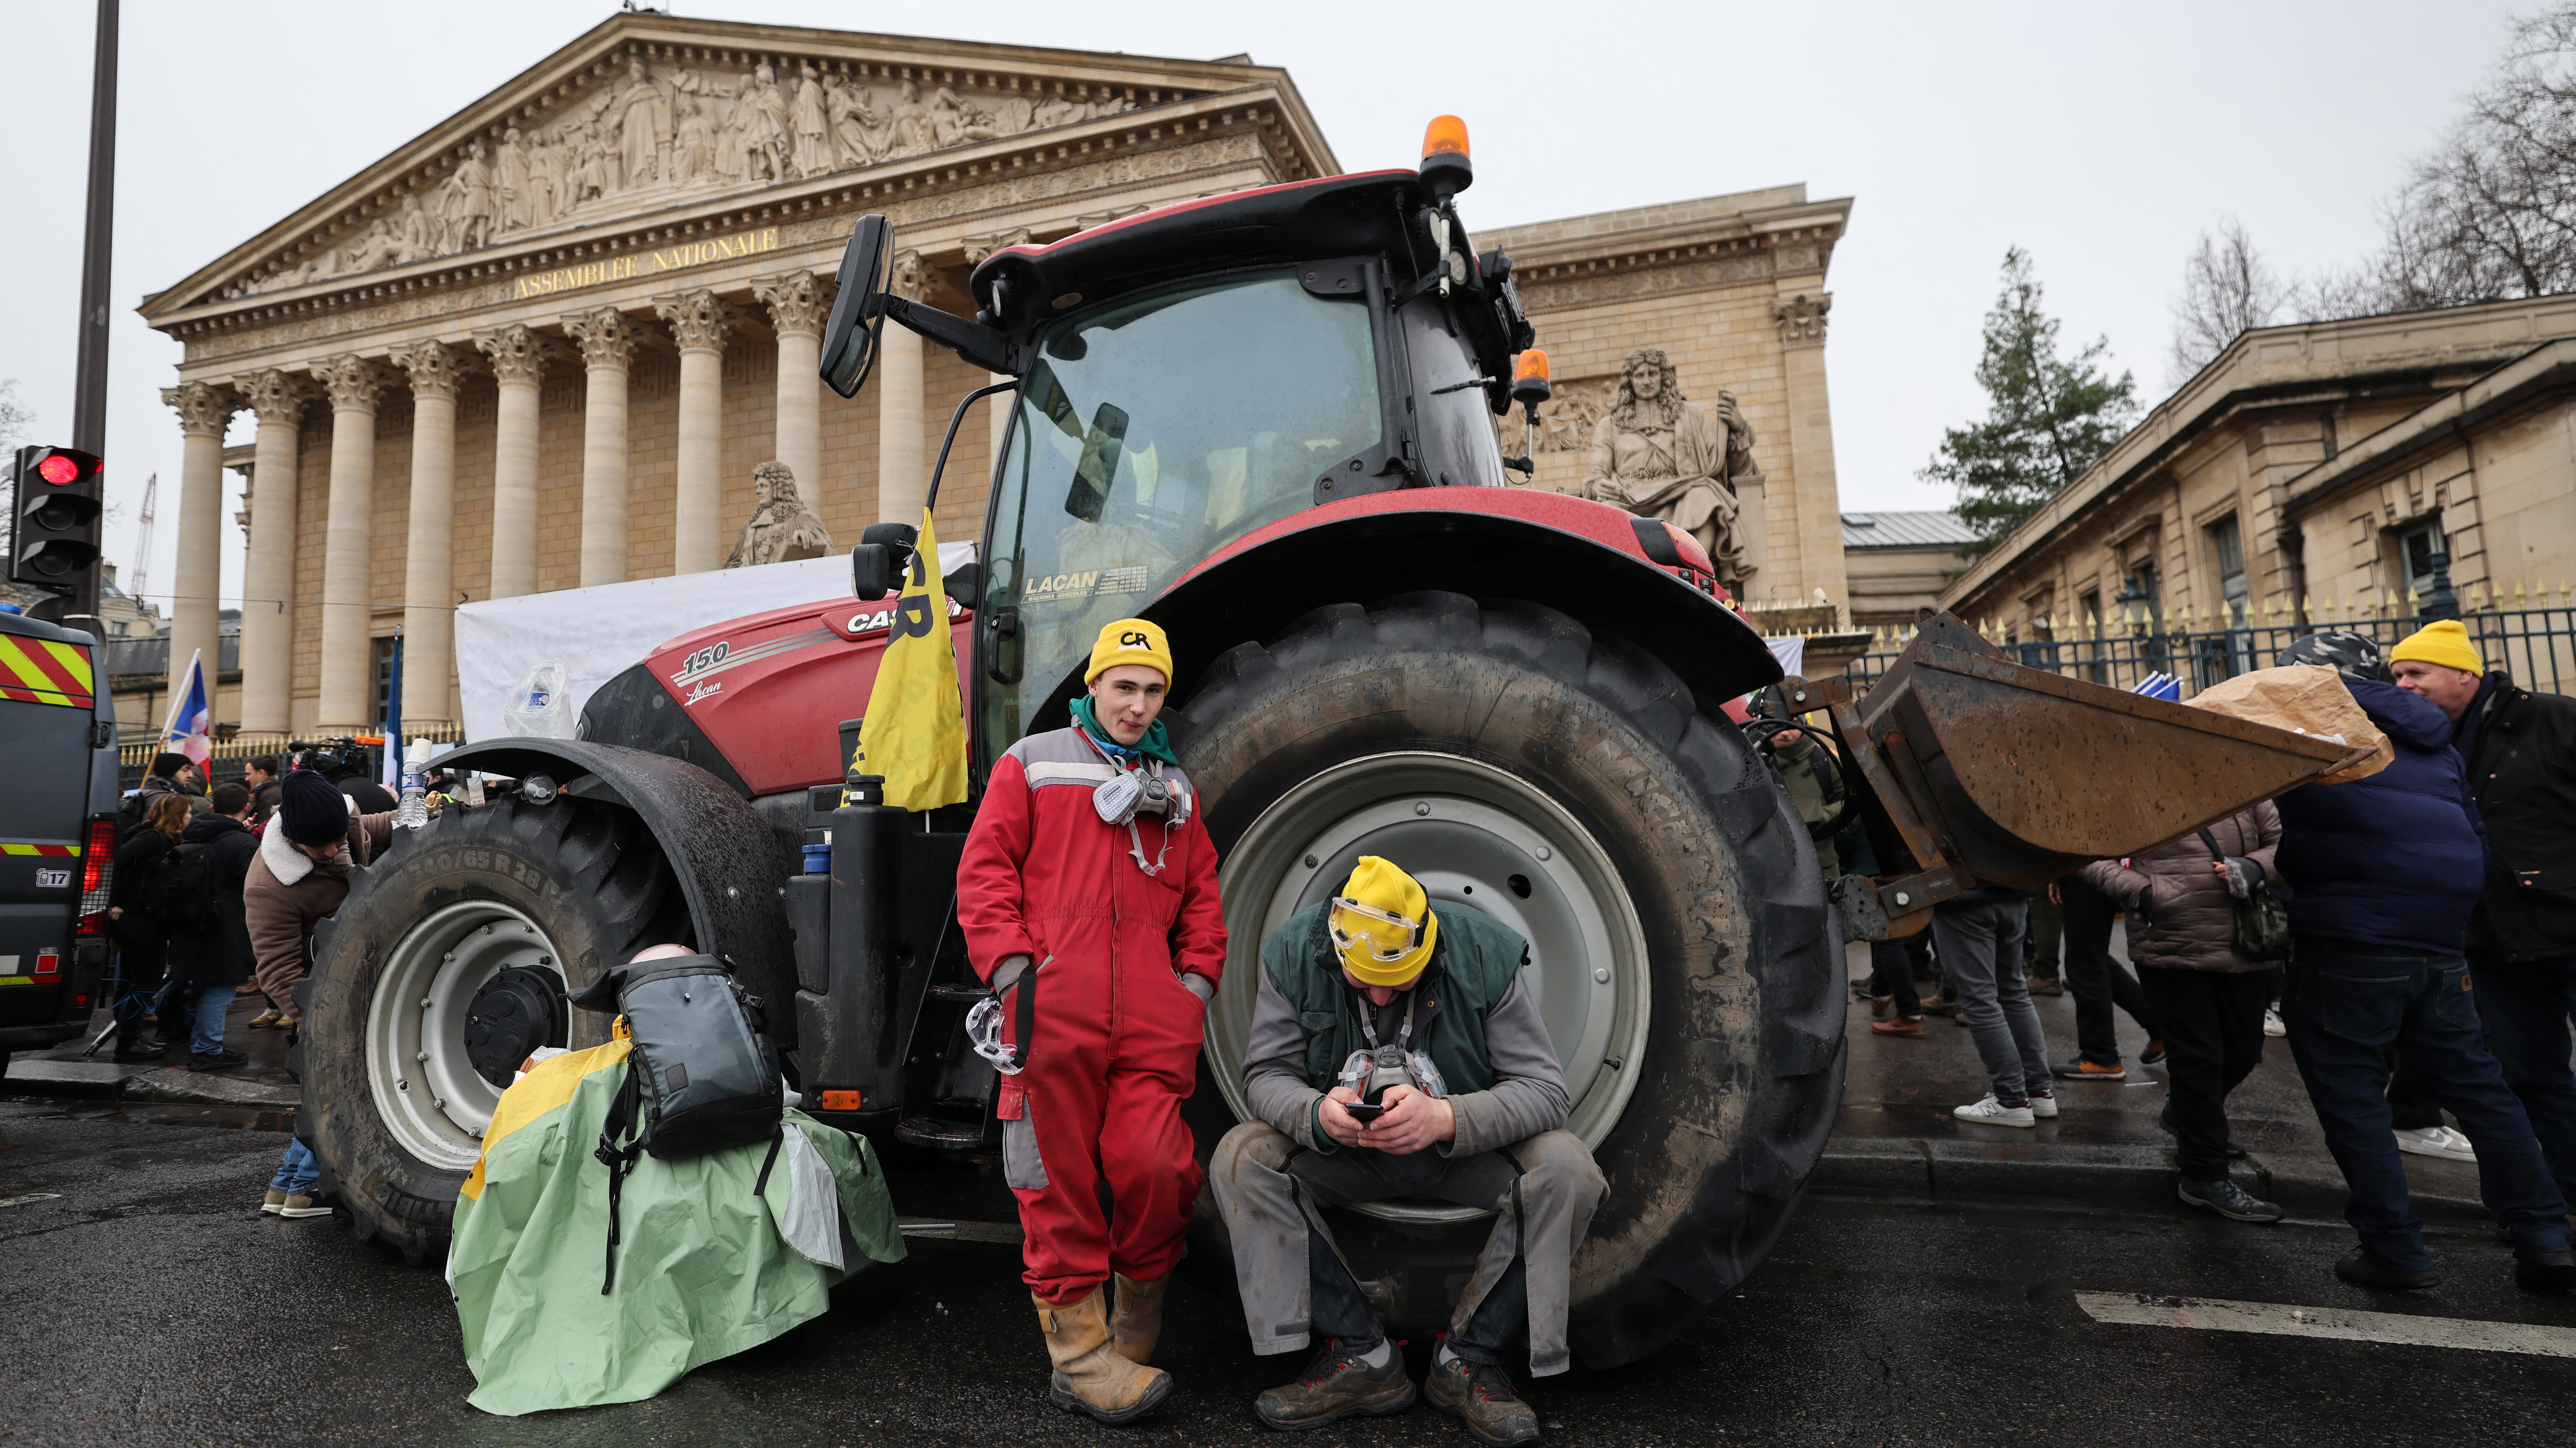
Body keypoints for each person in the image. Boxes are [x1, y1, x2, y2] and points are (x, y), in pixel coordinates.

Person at [1211, 856, 1604, 1447]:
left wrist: (1445, 1117)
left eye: (1396, 981)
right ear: (1337, 943)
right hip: (1345, 1149)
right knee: (1241, 1157)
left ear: (1426, 948)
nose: (1377, 993)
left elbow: (1546, 1092)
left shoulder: (1482, 953)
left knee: (1569, 1172)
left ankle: (1468, 1361)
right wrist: (1317, 1114)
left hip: (1463, 1149)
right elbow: (1265, 1074)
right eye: (1361, 979)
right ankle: (1359, 1357)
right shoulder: (1291, 953)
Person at [955, 618, 1225, 1425]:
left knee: (1158, 1169)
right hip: (1052, 1013)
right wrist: (1015, 977)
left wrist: (1191, 988)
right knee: (1056, 1182)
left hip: (1150, 1020)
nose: (1137, 706)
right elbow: (985, 873)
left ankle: (1130, 1331)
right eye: (1124, 687)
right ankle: (1078, 1358)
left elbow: (1203, 902)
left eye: (1151, 692)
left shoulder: (1175, 791)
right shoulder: (1032, 764)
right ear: (1094, 686)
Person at [2269, 630, 2573, 1291]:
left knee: (2351, 1098)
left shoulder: (2304, 728)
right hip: (2440, 940)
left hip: (2348, 938)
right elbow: (2469, 826)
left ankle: (2394, 1249)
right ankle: (2547, 1238)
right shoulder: (2429, 736)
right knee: (2481, 1090)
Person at [2392, 618, 2576, 1203]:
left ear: (2461, 674)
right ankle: (2562, 1197)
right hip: (2493, 941)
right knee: (2526, 1076)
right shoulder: (2417, 743)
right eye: (2394, 674)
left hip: (2566, 922)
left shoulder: (2551, 719)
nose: (2402, 684)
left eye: (2415, 672)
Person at [2081, 802, 2286, 1222]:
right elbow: (2085, 853)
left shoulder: (2245, 784)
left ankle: (2186, 1112)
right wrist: (2142, 890)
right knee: (2199, 1060)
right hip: (2172, 944)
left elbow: (2284, 844)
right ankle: (2204, 1175)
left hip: (2245, 941)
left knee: (2245, 1052)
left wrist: (2253, 867)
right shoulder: (2131, 790)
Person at [248, 770, 395, 1039]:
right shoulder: (268, 887)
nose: (331, 852)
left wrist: (419, 818)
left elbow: (369, 826)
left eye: (338, 840)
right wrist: (325, 1021)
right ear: (294, 838)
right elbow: (278, 972)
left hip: (380, 965)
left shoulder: (347, 820)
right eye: (318, 846)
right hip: (329, 991)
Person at [1937, 882, 2058, 1128]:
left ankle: (2011, 1100)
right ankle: (2037, 1092)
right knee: (2013, 991)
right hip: (2012, 889)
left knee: (1979, 999)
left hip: (1964, 894)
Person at [164, 784, 261, 1075]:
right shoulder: (242, 843)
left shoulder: (193, 834)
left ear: (214, 808)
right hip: (226, 927)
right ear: (247, 808)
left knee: (201, 985)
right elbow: (257, 888)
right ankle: (208, 1049)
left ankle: (197, 1039)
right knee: (220, 988)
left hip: (193, 924)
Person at [2049, 873, 2166, 1081]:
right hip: (2091, 872)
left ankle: (2101, 1056)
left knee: (2085, 964)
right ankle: (2160, 1030)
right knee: (2092, 958)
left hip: (2086, 871)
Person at [104, 792, 192, 1062]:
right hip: (140, 920)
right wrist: (117, 902)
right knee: (144, 983)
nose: (191, 817)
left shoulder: (152, 837)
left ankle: (129, 1038)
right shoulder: (153, 839)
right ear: (177, 815)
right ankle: (128, 1041)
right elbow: (118, 864)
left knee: (132, 982)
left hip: (140, 918)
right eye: (188, 812)